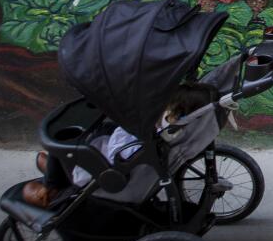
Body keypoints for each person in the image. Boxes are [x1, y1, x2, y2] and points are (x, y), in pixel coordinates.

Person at [21, 82, 214, 207]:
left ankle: (50, 188)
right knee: (80, 136)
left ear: (176, 113)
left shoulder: (151, 134)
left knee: (66, 139)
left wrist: (125, 126)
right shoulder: (170, 131)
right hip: (116, 156)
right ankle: (58, 169)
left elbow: (118, 154)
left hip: (106, 172)